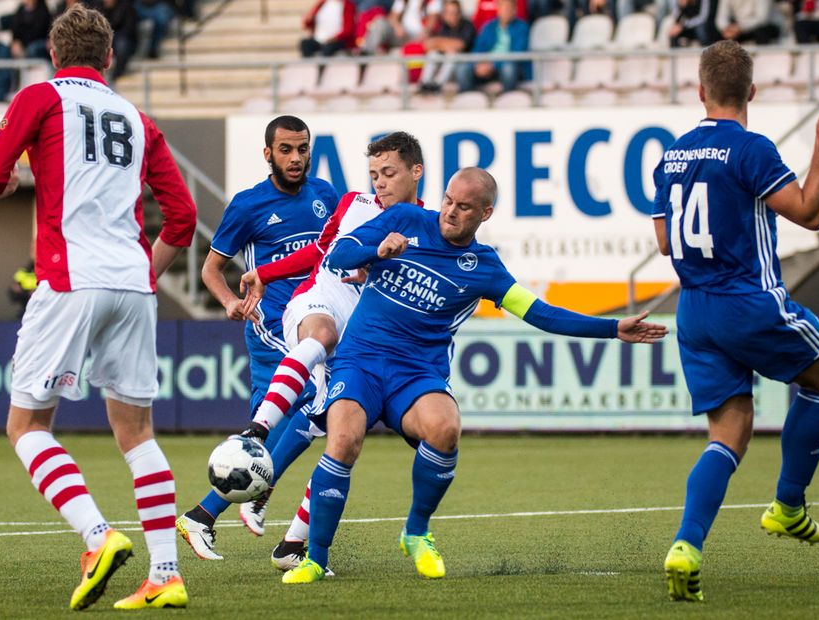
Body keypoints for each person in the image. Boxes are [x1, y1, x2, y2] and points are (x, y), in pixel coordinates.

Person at [279, 167, 667, 584]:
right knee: (344, 439)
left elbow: (543, 314)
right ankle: (316, 558)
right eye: (448, 200)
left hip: (416, 372)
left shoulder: (485, 268)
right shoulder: (405, 219)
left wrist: (612, 328)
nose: (450, 212)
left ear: (485, 213)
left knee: (446, 428)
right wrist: (376, 249)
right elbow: (337, 256)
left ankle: (416, 532)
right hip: (362, 360)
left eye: (463, 207)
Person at [0, 5, 196, 610]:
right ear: (109, 58)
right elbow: (183, 218)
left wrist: (16, 177)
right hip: (133, 280)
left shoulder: (40, 97)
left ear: (53, 53)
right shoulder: (138, 117)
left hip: (71, 278)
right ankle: (166, 574)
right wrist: (141, 276)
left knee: (26, 426)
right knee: (138, 433)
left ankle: (98, 537)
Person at [650, 40, 819, 602]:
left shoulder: (672, 155)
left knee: (728, 433)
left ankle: (686, 546)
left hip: (694, 311)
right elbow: (809, 213)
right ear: (752, 92)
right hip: (746, 300)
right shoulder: (751, 149)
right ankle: (788, 505)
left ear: (700, 92)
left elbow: (666, 242)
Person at [234, 131, 426, 572]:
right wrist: (264, 272)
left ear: (416, 172)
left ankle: (292, 544)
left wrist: (379, 272)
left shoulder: (427, 227)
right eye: (374, 174)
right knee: (317, 348)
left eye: (389, 173)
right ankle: (257, 438)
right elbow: (323, 253)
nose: (378, 183)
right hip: (318, 303)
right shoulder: (354, 205)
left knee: (339, 436)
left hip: (370, 342)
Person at [173, 116, 339, 561]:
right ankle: (258, 502)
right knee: (313, 402)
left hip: (310, 316)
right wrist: (229, 300)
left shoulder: (325, 195)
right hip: (270, 322)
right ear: (268, 153)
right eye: (285, 149)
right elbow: (211, 269)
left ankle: (203, 516)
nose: (295, 157)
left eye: (302, 148)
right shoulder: (248, 205)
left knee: (268, 435)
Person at [455, 0, 531, 93]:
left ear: (514, 10)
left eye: (508, 8)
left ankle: (507, 100)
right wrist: (479, 64)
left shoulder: (522, 27)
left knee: (509, 68)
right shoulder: (489, 27)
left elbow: (517, 54)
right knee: (463, 69)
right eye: (503, 7)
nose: (505, 11)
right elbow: (478, 49)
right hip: (487, 66)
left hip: (510, 68)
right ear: (498, 9)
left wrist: (493, 65)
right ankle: (470, 100)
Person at [417, 0, 475, 93]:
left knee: (452, 54)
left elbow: (460, 45)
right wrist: (447, 45)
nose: (451, 15)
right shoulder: (443, 26)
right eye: (448, 12)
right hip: (442, 64)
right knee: (433, 53)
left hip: (461, 68)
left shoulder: (467, 25)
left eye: (454, 12)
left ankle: (438, 85)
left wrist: (440, 44)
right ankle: (425, 82)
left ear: (460, 13)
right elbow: (428, 45)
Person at [715, 0, 781, 44]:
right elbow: (722, 16)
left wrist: (740, 27)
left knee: (761, 33)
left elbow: (762, 18)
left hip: (766, 27)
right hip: (739, 29)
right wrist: (726, 28)